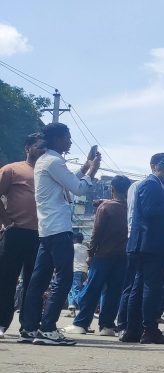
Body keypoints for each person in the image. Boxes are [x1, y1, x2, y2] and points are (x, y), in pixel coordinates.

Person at [19, 123, 101, 346]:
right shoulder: (54, 161)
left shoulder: (45, 161)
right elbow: (79, 188)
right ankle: (48, 328)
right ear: (57, 139)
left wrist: (84, 167)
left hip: (47, 228)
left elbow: (67, 179)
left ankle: (29, 326)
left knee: (39, 280)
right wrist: (92, 170)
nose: (70, 141)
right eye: (67, 137)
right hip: (59, 227)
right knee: (63, 278)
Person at [122, 156, 164, 344]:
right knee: (151, 287)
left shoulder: (151, 185)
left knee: (138, 287)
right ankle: (149, 330)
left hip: (144, 243)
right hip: (151, 244)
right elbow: (150, 211)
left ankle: (133, 329)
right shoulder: (152, 185)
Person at [67, 175, 131, 336]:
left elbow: (96, 233)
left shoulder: (105, 207)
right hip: (123, 256)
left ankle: (81, 323)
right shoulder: (131, 208)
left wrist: (91, 253)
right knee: (114, 292)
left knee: (92, 289)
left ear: (112, 188)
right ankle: (107, 325)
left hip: (102, 255)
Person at [0, 133, 46, 338]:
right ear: (28, 147)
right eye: (39, 145)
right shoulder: (12, 169)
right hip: (15, 232)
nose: (43, 150)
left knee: (33, 283)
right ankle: (1, 323)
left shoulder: (47, 171)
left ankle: (28, 326)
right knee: (6, 279)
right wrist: (7, 222)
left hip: (40, 235)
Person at [67, 231, 88, 314]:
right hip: (84, 271)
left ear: (74, 239)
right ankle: (72, 309)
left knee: (75, 289)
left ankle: (84, 307)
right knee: (73, 289)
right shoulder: (86, 248)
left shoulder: (72, 247)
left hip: (75, 270)